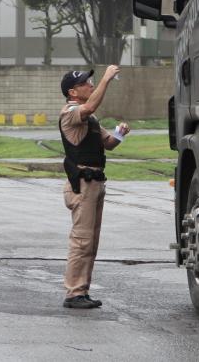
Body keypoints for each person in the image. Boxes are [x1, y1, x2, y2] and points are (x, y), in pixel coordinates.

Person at [58, 65, 130, 309]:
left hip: (96, 183)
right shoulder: (70, 113)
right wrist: (107, 79)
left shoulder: (90, 119)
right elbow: (89, 107)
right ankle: (73, 293)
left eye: (92, 82)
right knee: (81, 241)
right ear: (72, 92)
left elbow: (108, 144)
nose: (91, 85)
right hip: (83, 185)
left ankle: (82, 291)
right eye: (86, 83)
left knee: (91, 242)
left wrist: (120, 134)